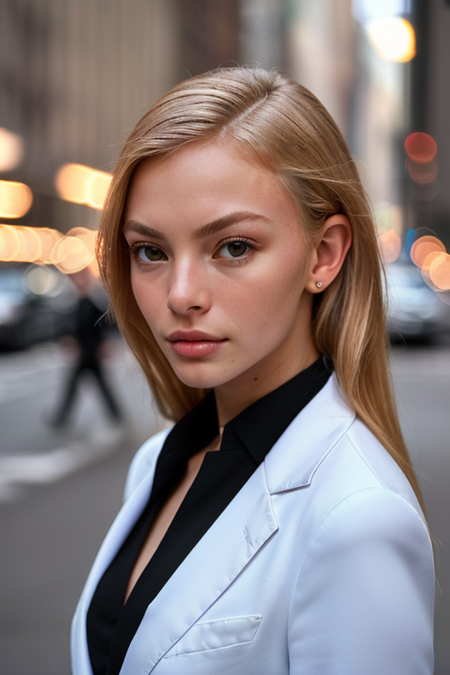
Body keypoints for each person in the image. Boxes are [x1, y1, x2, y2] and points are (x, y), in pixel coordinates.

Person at [71, 66, 434, 675]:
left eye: (233, 246)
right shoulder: (158, 462)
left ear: (324, 254)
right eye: (150, 251)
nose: (181, 294)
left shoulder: (358, 518)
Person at [50, 267, 123, 429]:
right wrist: (70, 341)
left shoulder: (94, 301)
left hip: (92, 351)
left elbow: (108, 324)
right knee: (95, 385)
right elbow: (73, 327)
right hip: (84, 352)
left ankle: (61, 418)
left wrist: (107, 344)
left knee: (75, 385)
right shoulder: (76, 301)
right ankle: (116, 416)